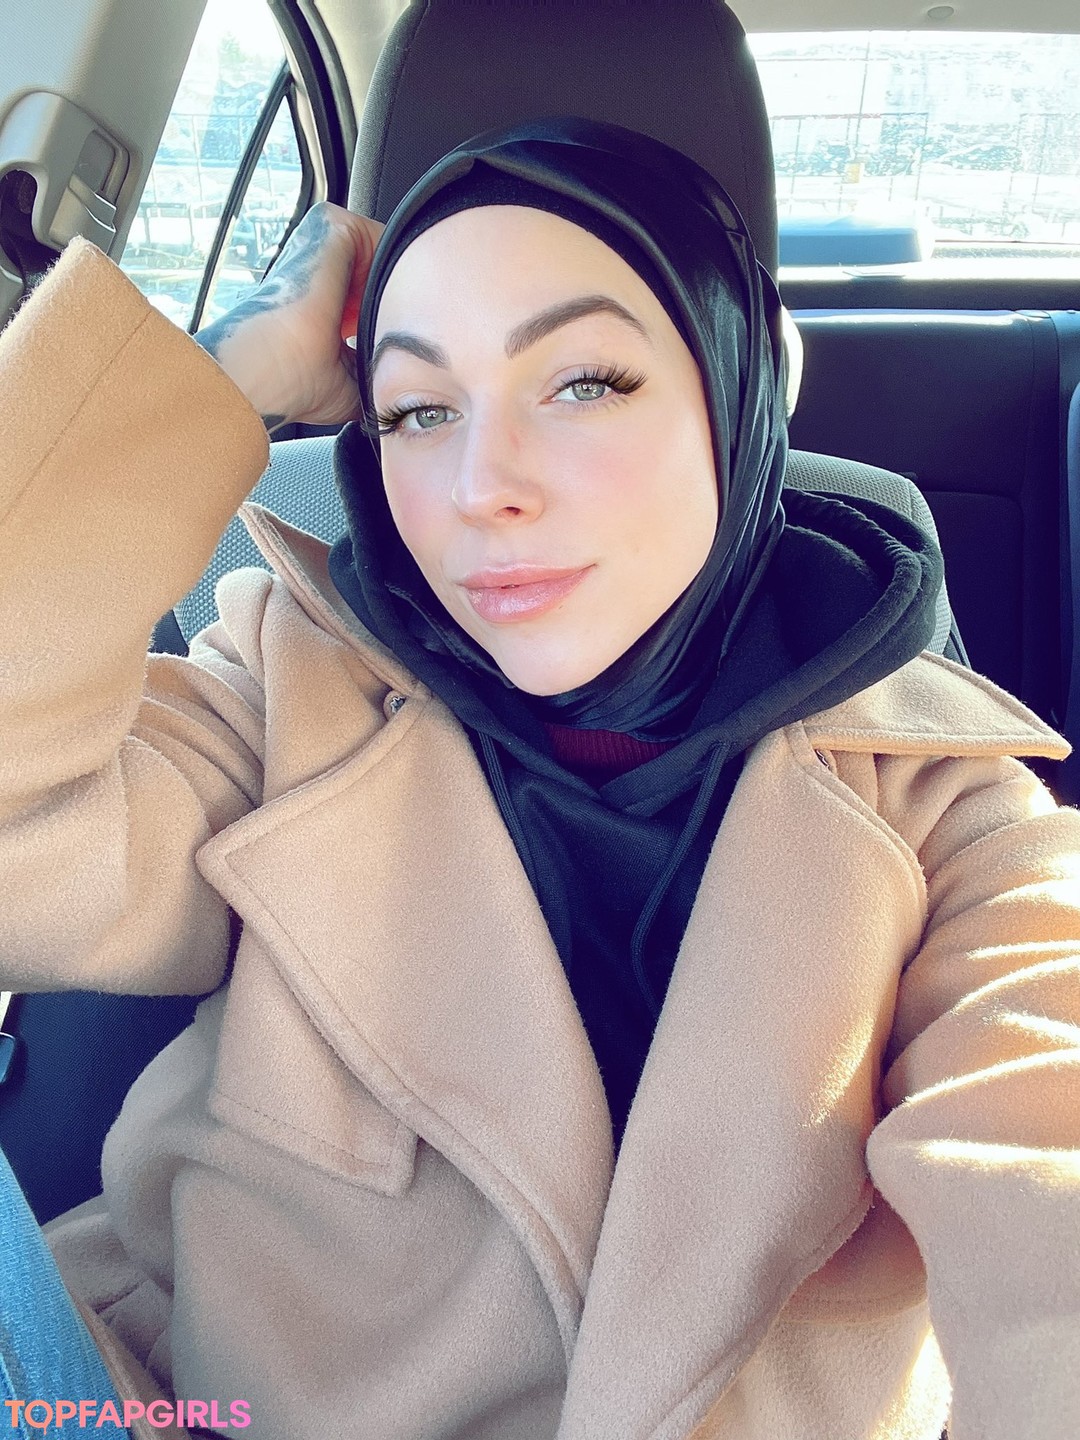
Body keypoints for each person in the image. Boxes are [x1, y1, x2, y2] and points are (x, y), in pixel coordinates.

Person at [1, 116, 1078, 1440]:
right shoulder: (280, 698)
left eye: (585, 384)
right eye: (417, 409)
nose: (480, 487)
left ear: (737, 391)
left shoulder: (955, 815)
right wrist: (221, 371)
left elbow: (1045, 1151)